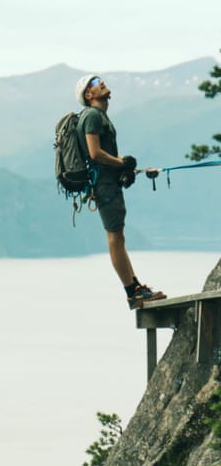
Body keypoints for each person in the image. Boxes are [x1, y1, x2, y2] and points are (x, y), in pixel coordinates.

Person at [74, 74, 165, 310]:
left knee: (118, 238)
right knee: (115, 238)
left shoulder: (99, 116)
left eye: (99, 79)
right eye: (95, 83)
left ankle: (136, 287)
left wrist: (123, 168)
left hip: (107, 184)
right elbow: (95, 153)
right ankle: (133, 292)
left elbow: (100, 154)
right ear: (89, 94)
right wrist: (121, 163)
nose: (101, 83)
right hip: (104, 186)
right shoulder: (92, 115)